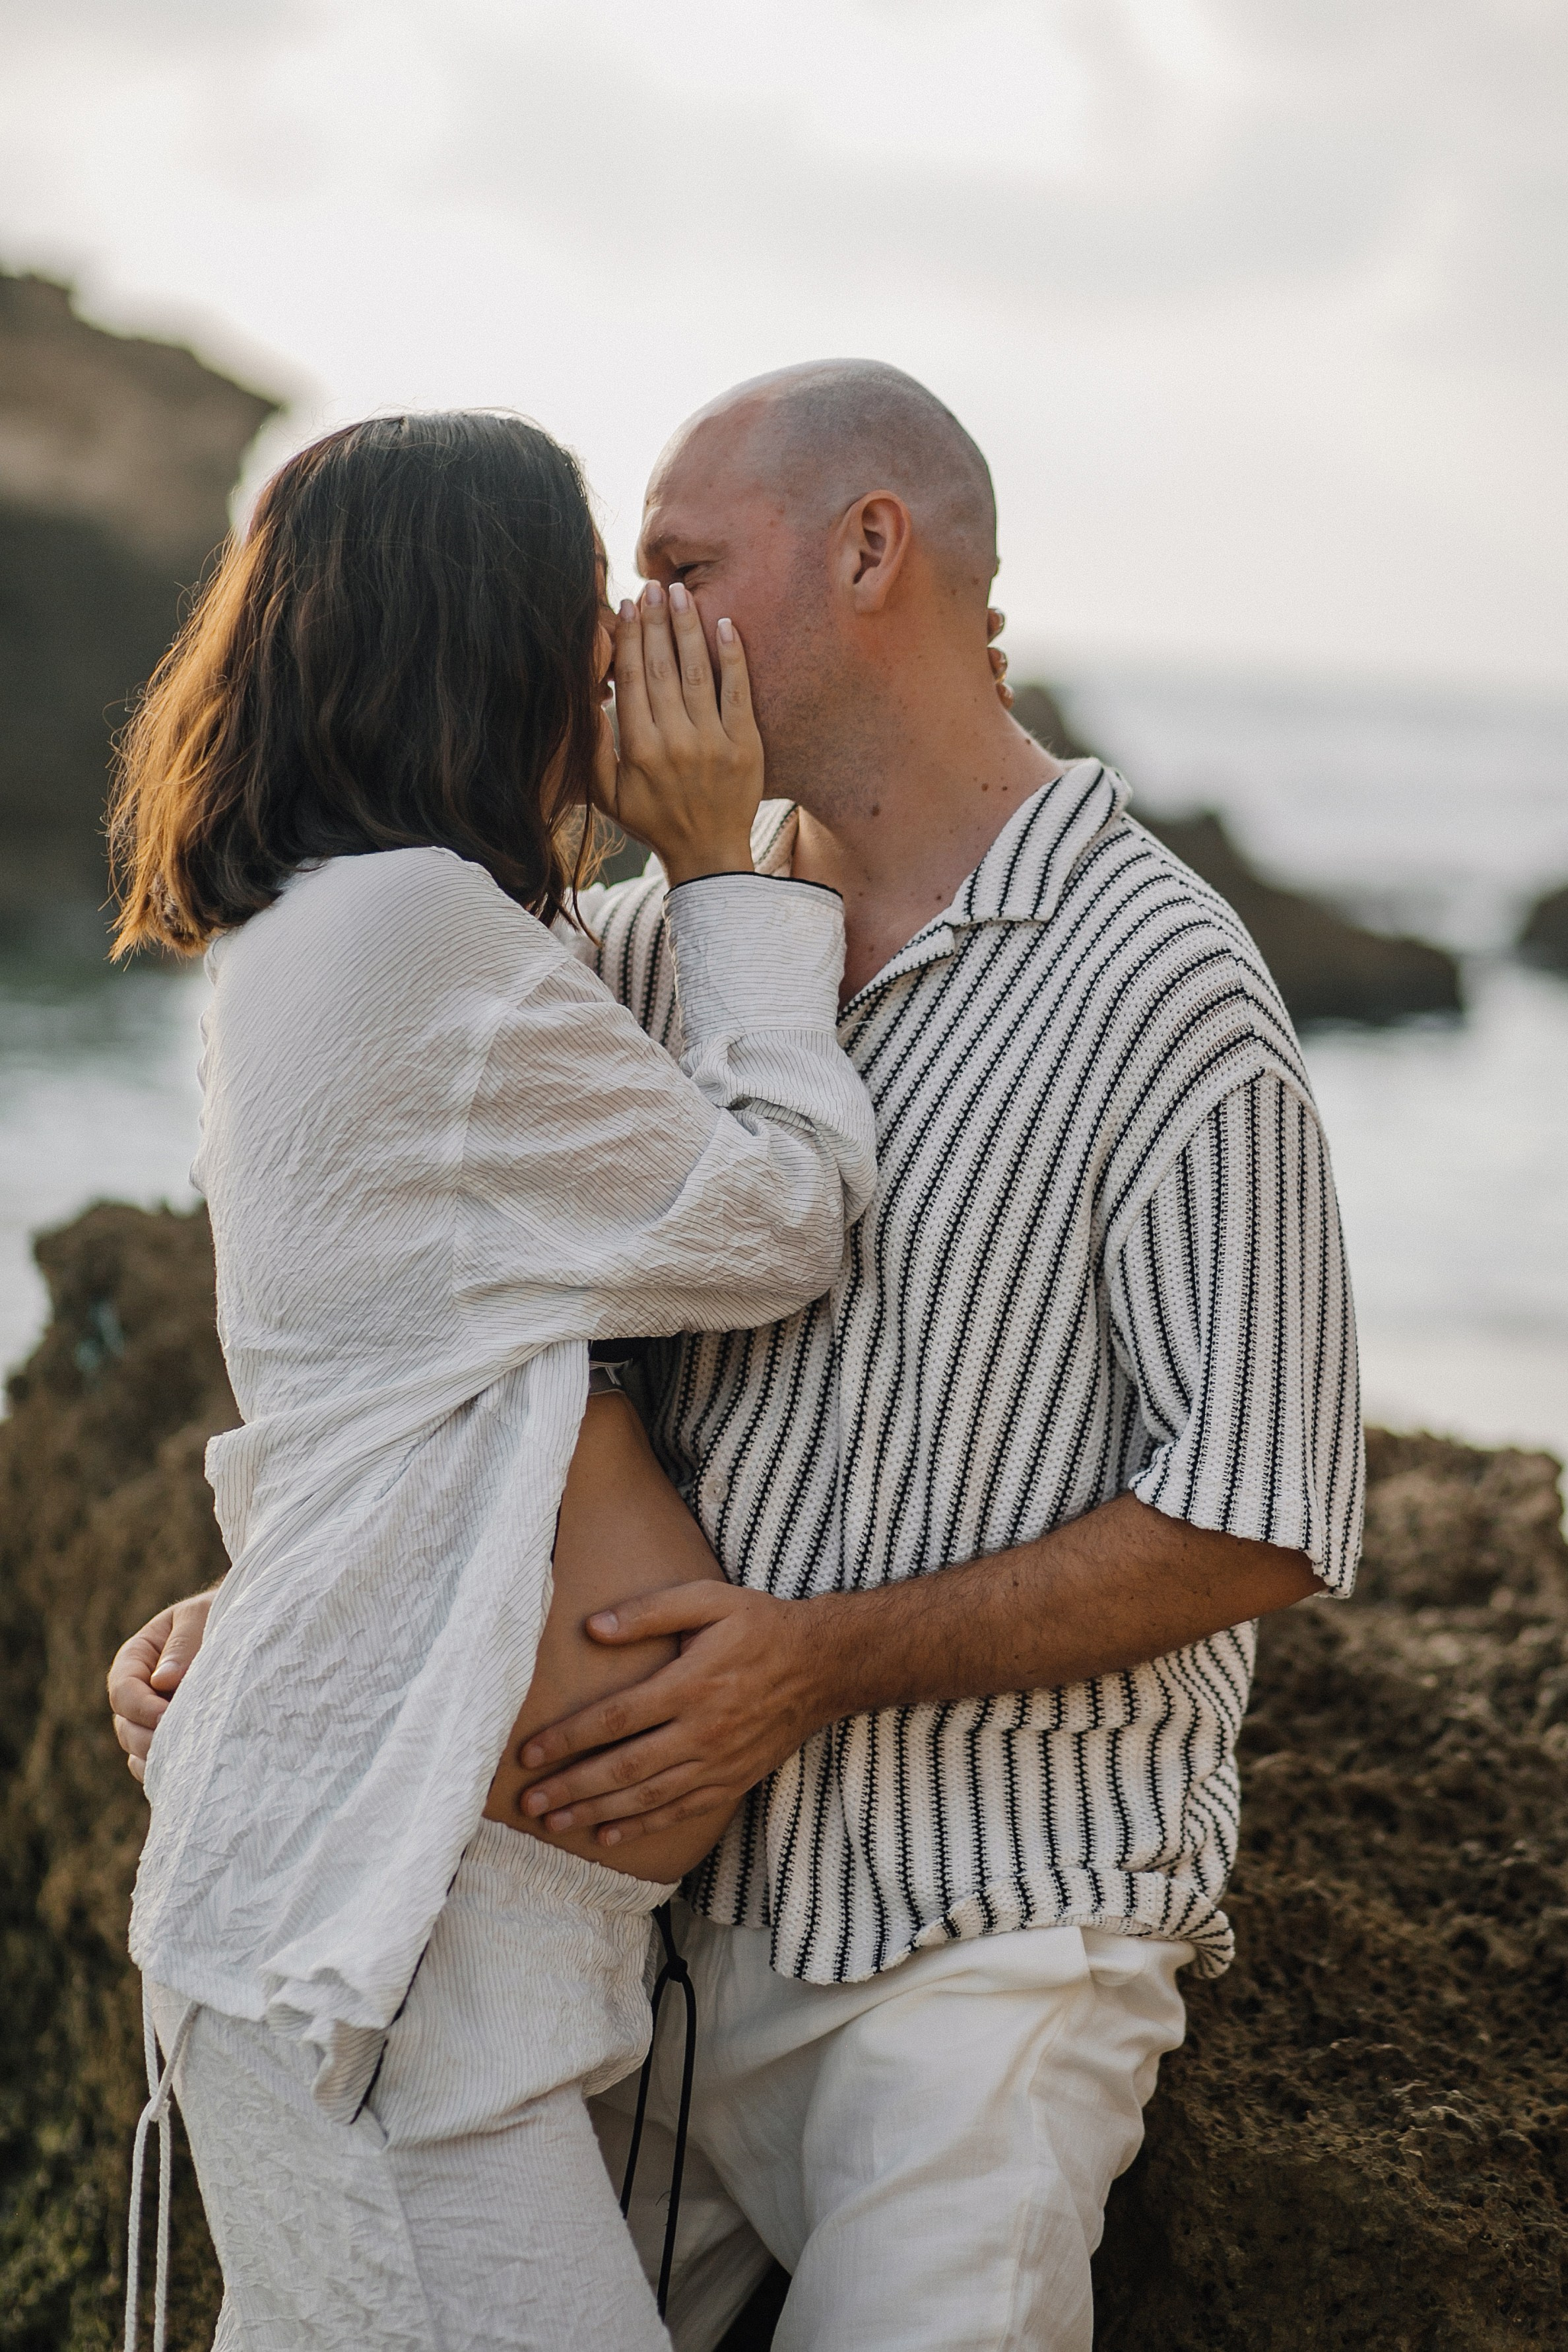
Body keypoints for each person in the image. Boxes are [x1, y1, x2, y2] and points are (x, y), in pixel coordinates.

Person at [112, 364, 1363, 2352]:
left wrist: (817, 1661)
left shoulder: (1168, 990)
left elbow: (1260, 1518)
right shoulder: (618, 950)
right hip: (637, 1941)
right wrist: (293, 1601)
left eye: (681, 567)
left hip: (978, 1929)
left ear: (872, 552)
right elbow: (448, 1352)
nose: (625, 632)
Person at [106, 408, 876, 2352]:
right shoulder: (413, 936)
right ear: (494, 639)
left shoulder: (346, 930)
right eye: (585, 603)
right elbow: (782, 1212)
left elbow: (385, 1377)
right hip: (375, 1970)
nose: (620, 647)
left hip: (396, 1952)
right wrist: (720, 867)